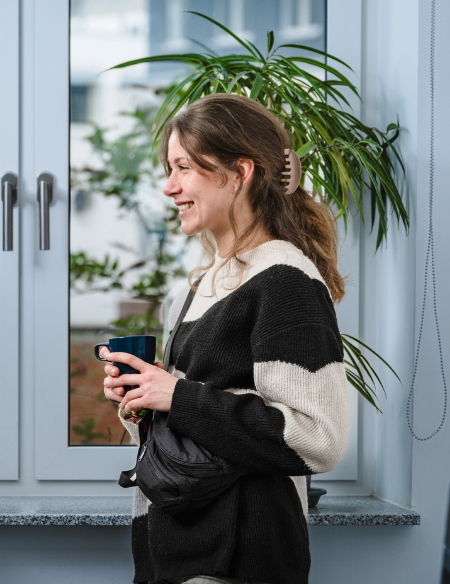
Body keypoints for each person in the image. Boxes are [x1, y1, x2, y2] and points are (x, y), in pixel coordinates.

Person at [100, 94, 349, 584]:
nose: (169, 187)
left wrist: (178, 395)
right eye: (169, 169)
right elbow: (192, 424)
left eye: (184, 168)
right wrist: (143, 401)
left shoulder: (284, 279)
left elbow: (318, 440)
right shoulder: (201, 286)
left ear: (240, 173)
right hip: (175, 546)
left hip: (240, 556)